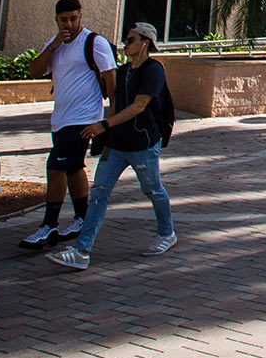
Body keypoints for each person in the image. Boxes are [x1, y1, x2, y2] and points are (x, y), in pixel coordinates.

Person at [45, 22, 175, 271]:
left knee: (153, 190)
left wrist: (104, 125)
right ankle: (82, 250)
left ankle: (167, 233)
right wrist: (107, 132)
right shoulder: (124, 71)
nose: (125, 44)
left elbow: (139, 106)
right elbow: (116, 102)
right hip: (116, 145)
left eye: (130, 40)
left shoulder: (153, 70)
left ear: (144, 43)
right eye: (126, 40)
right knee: (99, 194)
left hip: (143, 145)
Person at [19, 0, 116, 250]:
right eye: (64, 20)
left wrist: (111, 120)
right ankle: (83, 219)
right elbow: (35, 71)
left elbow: (111, 79)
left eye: (73, 19)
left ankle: (48, 225)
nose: (69, 24)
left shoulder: (95, 43)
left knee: (55, 166)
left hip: (84, 119)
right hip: (60, 120)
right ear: (56, 19)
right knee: (74, 168)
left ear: (80, 17)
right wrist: (53, 46)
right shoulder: (55, 45)